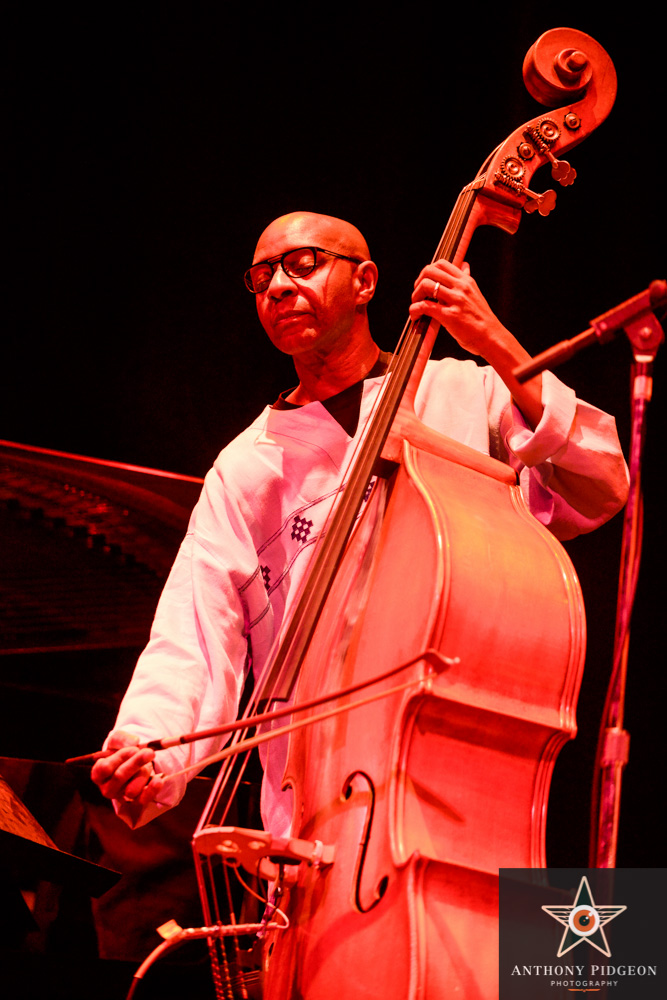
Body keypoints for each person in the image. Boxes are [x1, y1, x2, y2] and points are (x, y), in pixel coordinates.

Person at [91, 211, 628, 835]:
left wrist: (495, 343)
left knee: (602, 928)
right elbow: (195, 637)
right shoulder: (244, 470)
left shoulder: (463, 394)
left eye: (304, 264)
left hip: (471, 785)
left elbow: (600, 482)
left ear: (366, 281)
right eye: (262, 277)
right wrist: (147, 744)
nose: (278, 288)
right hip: (316, 812)